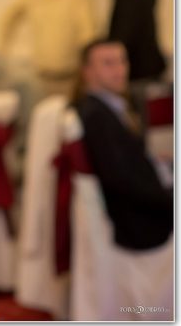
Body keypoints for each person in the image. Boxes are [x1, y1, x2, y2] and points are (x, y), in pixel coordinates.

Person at [72, 39, 173, 251]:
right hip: (141, 221)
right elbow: (122, 179)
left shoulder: (109, 105)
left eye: (122, 61)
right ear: (87, 71)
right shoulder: (96, 115)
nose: (119, 70)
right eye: (108, 63)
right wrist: (170, 198)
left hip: (147, 200)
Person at [0, 0, 96, 100]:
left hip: (72, 77)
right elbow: (7, 20)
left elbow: (87, 31)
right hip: (42, 77)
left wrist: (90, 64)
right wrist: (2, 52)